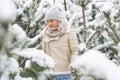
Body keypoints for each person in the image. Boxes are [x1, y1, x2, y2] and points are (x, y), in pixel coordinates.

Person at [42, 6, 79, 80]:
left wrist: (73, 65)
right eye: (48, 21)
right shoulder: (46, 34)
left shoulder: (69, 33)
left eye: (52, 21)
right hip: (50, 74)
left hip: (66, 73)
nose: (49, 23)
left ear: (58, 20)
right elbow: (44, 52)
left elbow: (74, 50)